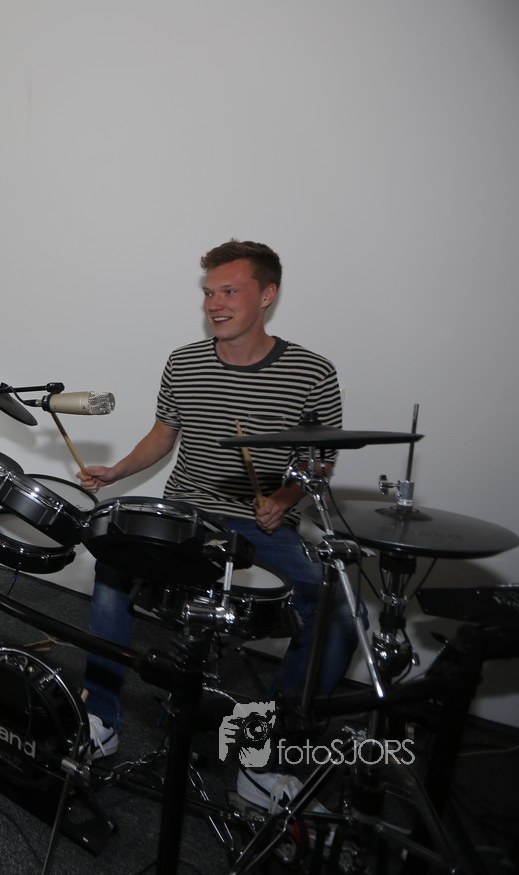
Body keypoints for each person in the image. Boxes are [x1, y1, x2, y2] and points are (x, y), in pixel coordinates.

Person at [76, 240, 358, 809]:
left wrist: (284, 496)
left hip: (261, 525)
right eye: (209, 293)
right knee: (112, 565)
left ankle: (264, 755)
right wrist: (117, 471)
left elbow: (317, 462)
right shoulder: (185, 361)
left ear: (267, 294)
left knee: (340, 613)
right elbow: (164, 433)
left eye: (229, 291)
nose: (215, 304)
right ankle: (100, 720)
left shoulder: (312, 372)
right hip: (187, 511)